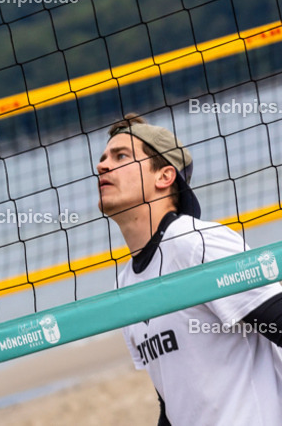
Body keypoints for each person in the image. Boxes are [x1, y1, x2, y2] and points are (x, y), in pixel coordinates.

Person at [97, 113, 282, 425]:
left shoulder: (195, 243)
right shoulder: (125, 283)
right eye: (103, 158)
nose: (102, 166)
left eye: (121, 156)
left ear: (164, 177)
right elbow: (172, 400)